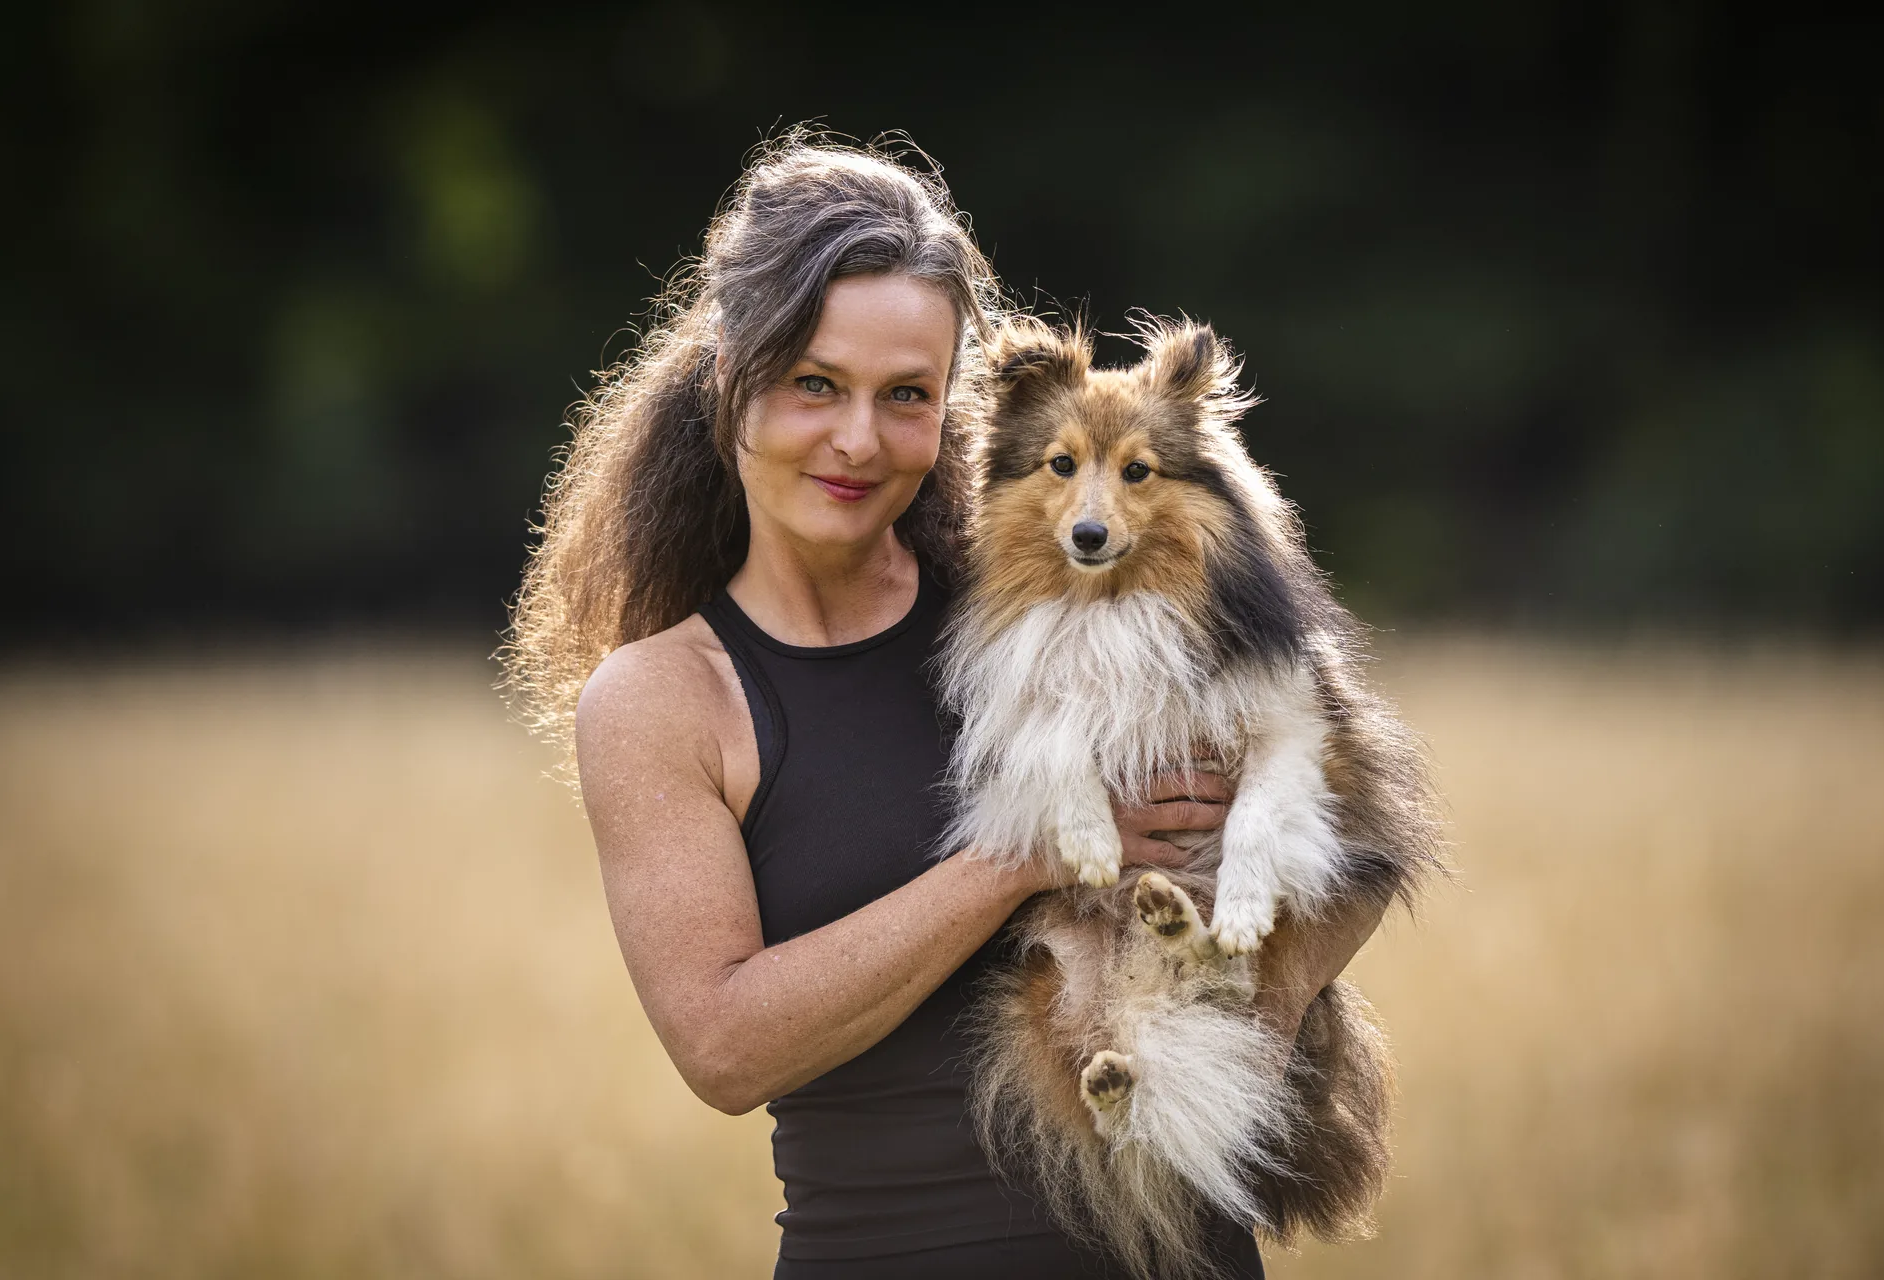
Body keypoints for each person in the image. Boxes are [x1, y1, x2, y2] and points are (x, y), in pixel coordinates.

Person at [502, 135, 1384, 1279]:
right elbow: (722, 1047)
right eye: (814, 382)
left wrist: (1241, 1029)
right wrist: (1022, 859)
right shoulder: (666, 696)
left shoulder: (1054, 596)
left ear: (953, 409)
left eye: (906, 395)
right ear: (728, 376)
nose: (859, 439)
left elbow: (1352, 834)